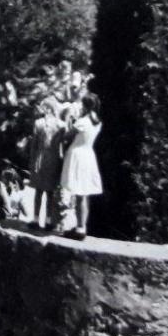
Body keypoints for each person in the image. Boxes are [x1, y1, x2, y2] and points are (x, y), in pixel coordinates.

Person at [58, 93, 103, 240]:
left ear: (86, 105)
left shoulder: (83, 121)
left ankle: (80, 228)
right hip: (88, 154)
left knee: (79, 194)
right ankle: (82, 225)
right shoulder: (97, 121)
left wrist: (67, 124)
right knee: (85, 194)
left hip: (78, 155)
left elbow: (66, 136)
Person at [27, 95, 64, 229]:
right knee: (50, 192)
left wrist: (32, 162)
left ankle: (36, 220)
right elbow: (62, 146)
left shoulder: (39, 123)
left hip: (40, 158)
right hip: (54, 159)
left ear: (47, 108)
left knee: (38, 191)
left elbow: (34, 146)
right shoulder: (61, 125)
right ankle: (49, 221)